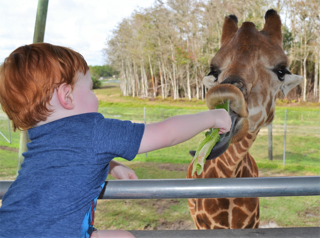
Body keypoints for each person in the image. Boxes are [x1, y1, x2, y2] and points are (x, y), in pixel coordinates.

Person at [0, 43, 231, 238]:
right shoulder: (93, 130)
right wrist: (212, 117)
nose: (95, 97)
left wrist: (111, 165)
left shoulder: (40, 138)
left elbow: (67, 162)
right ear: (66, 96)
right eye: (90, 89)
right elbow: (166, 133)